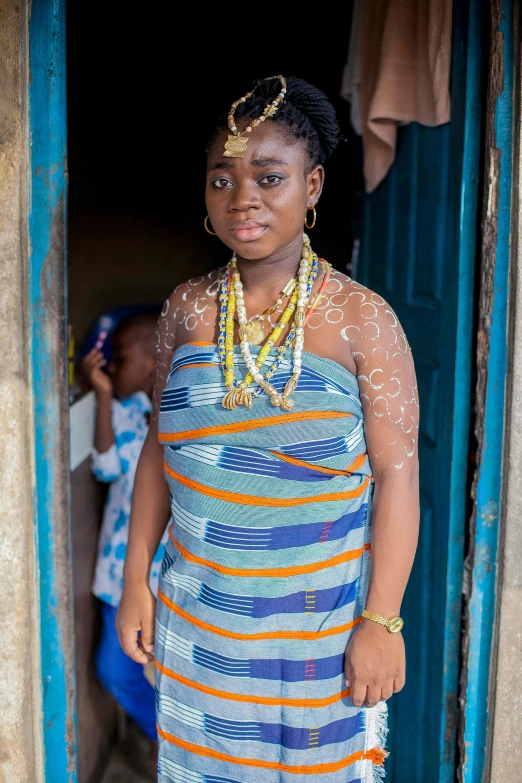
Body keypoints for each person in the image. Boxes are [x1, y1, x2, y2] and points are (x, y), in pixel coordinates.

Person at [117, 76, 420, 782]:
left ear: (312, 186)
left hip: (320, 633)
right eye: (222, 178)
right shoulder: (187, 310)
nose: (242, 197)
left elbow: (398, 474)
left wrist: (383, 621)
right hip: (201, 628)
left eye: (269, 176)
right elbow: (158, 454)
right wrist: (137, 581)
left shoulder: (359, 318)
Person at [81, 313, 168, 764]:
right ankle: (169, 740)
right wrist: (100, 393)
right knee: (115, 670)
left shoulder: (186, 415)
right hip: (122, 579)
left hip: (172, 583)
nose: (112, 366)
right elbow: (105, 466)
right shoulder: (126, 411)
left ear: (155, 363)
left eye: (121, 358)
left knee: (173, 674)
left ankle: (185, 746)